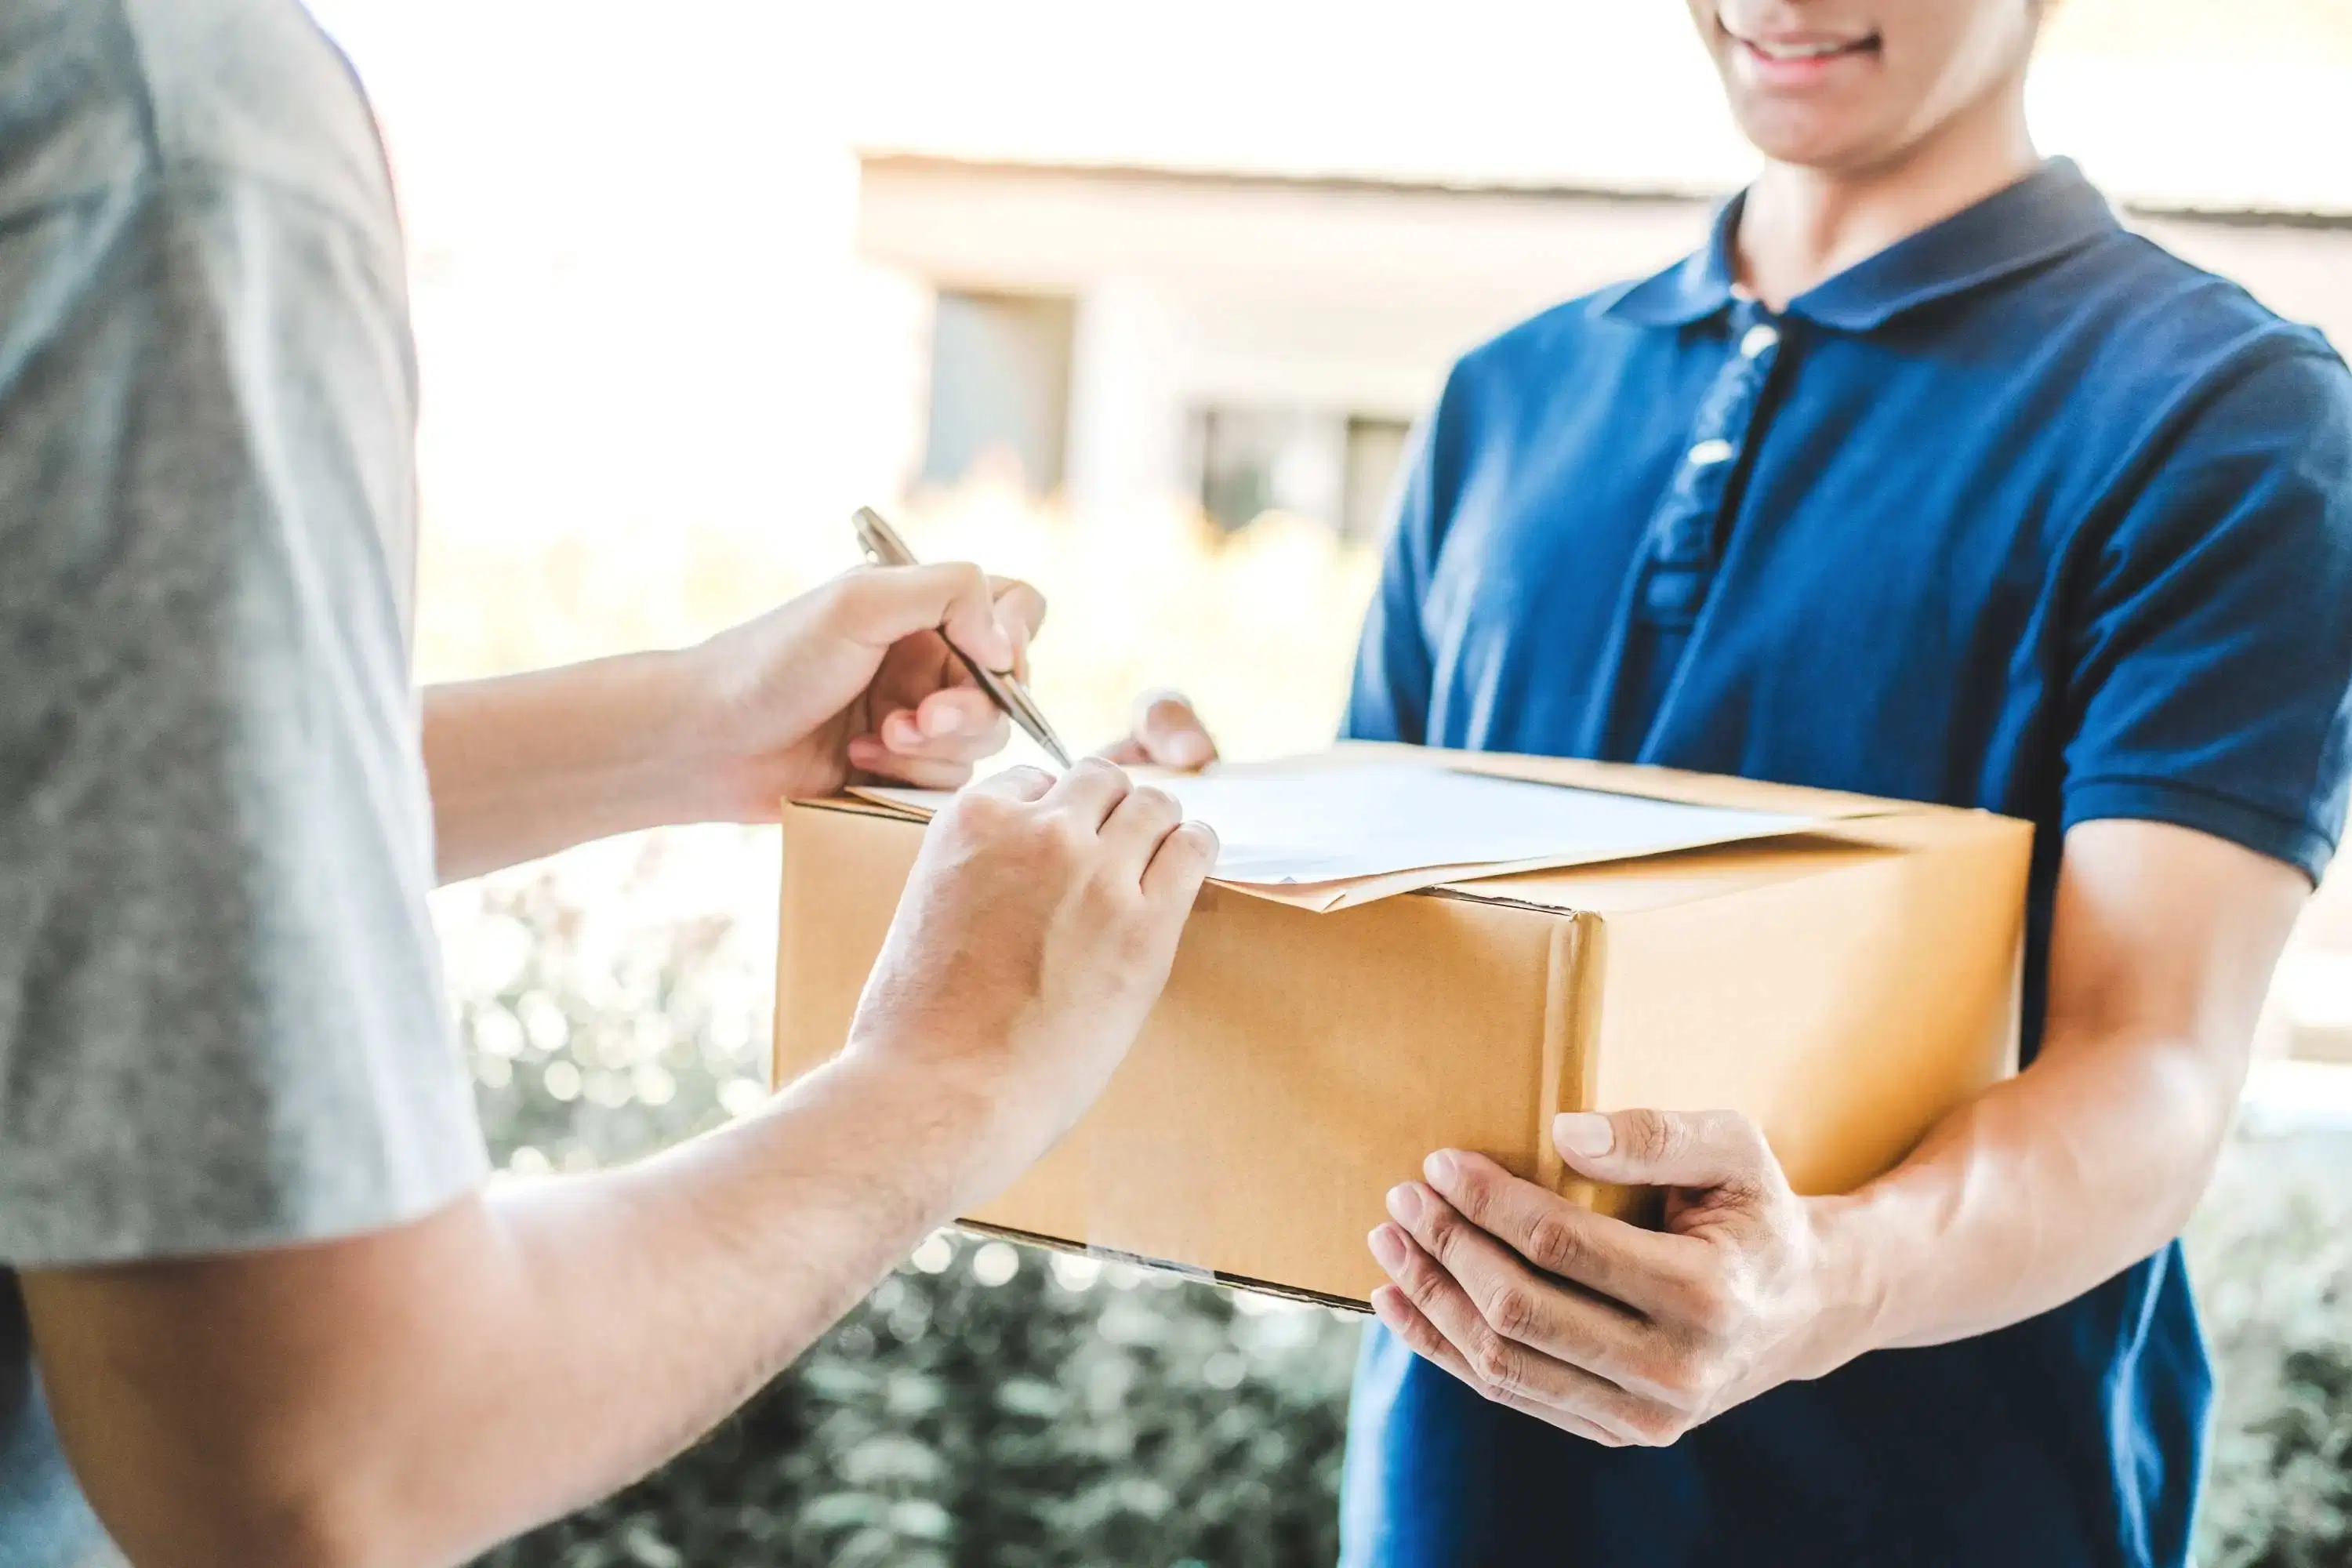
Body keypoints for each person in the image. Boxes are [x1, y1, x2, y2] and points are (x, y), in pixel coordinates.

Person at [1116, 1, 2352, 1563]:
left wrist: (1824, 1280)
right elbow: (1405, 973)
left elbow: (2152, 1062)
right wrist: (1203, 860)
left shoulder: (2226, 415)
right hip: (1456, 1508)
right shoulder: (1509, 396)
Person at [0, 3, 1214, 1565]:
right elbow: (338, 1456)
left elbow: (73, 814)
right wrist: (954, 1071)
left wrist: (692, 725)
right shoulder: (148, 118)